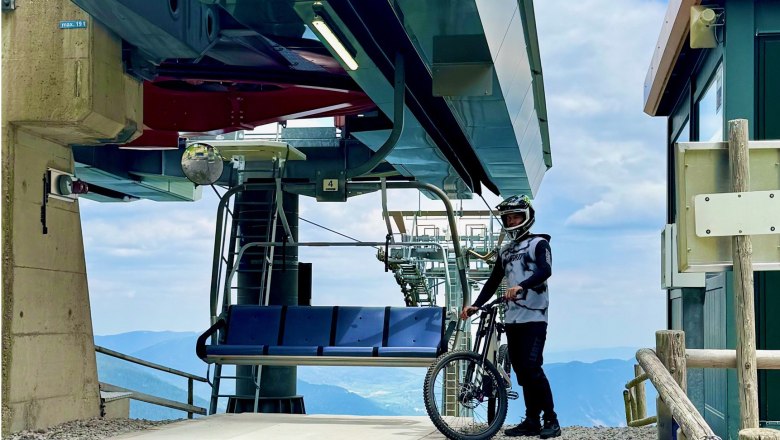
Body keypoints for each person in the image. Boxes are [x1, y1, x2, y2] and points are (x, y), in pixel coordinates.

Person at [460, 194, 561, 439]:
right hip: (513, 319)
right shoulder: (505, 251)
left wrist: (521, 286)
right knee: (522, 372)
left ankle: (551, 419)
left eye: (516, 216)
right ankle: (532, 420)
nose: (512, 221)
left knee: (532, 368)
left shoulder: (539, 243)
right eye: (508, 218)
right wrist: (476, 305)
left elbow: (545, 270)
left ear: (527, 217)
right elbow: (493, 281)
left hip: (535, 317)